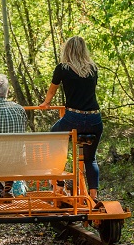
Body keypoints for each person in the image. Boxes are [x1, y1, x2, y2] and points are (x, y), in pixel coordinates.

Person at [38, 36, 102, 201]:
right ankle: (93, 195)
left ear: (67, 50)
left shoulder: (63, 68)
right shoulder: (93, 68)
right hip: (95, 119)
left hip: (74, 118)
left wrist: (46, 103)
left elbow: (52, 91)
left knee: (53, 138)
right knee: (90, 158)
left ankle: (60, 183)